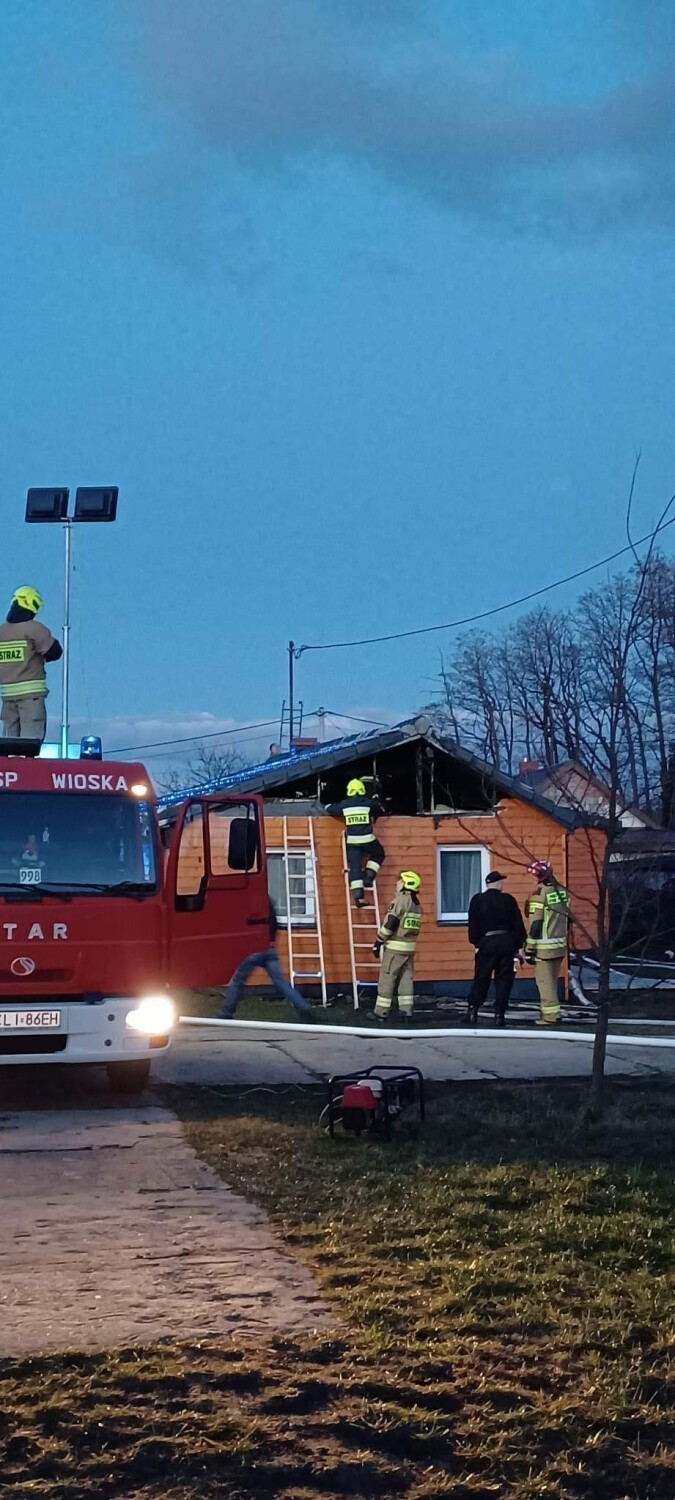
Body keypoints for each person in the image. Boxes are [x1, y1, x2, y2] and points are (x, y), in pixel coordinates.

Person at [221, 897, 313, 1019]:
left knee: (238, 981)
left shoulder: (242, 900)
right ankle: (302, 1006)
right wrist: (271, 939)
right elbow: (274, 920)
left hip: (250, 949)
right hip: (269, 947)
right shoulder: (265, 898)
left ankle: (227, 1013)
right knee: (280, 981)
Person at [0, 587, 62, 743]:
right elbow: (55, 652)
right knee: (29, 744)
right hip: (31, 699)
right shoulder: (34, 629)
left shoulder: (1, 633)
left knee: (8, 744)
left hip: (7, 699)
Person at [466, 870, 526, 1027]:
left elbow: (473, 925)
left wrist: (476, 943)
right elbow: (517, 924)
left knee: (481, 978)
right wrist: (519, 945)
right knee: (504, 980)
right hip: (506, 944)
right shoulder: (508, 900)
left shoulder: (477, 900)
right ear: (498, 883)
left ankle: (473, 1011)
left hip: (486, 944)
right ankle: (499, 1015)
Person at [524, 860, 571, 1026]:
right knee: (552, 981)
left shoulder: (539, 895)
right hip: (559, 946)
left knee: (545, 984)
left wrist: (529, 949)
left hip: (543, 949)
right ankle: (555, 1013)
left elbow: (536, 924)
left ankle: (550, 1016)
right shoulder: (562, 892)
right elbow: (569, 919)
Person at [373, 870, 422, 1022]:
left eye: (399, 881)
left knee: (387, 978)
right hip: (409, 948)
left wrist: (379, 941)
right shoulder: (416, 905)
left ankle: (381, 1013)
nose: (396, 884)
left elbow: (391, 923)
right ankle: (406, 1013)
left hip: (395, 948)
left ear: (406, 884)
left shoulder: (400, 901)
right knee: (405, 980)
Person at [327, 777, 385, 906]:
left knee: (355, 867)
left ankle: (358, 898)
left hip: (353, 842)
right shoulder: (368, 803)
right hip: (368, 840)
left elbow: (330, 809)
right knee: (379, 854)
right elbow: (380, 810)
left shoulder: (345, 805)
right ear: (362, 789)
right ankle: (369, 877)